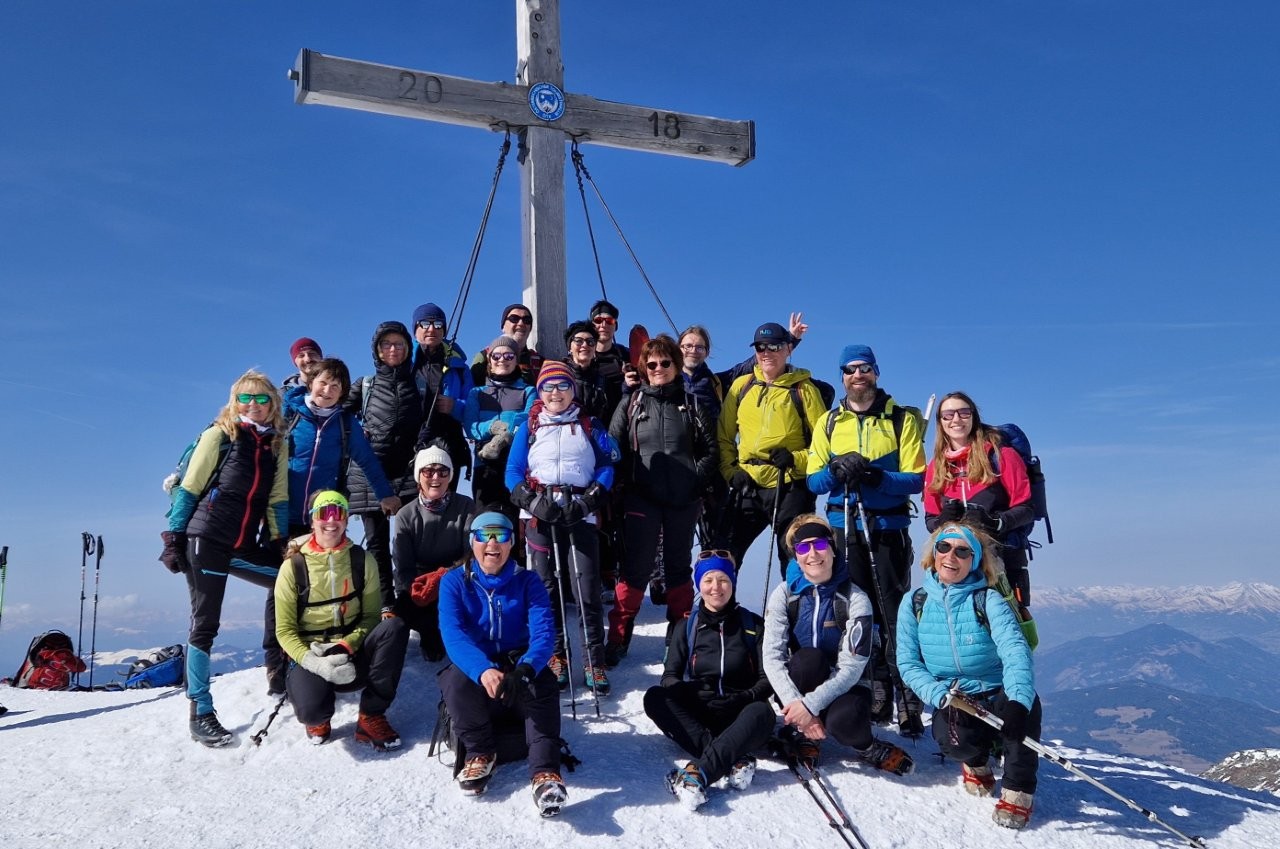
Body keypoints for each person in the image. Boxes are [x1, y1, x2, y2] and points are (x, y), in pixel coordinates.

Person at [160, 370, 289, 746]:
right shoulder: (220, 436)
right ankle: (200, 711)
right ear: (235, 402)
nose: (254, 405)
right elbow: (190, 488)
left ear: (273, 404)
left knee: (293, 578)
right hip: (206, 540)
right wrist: (173, 537)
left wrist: (281, 542)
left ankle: (291, 667)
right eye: (246, 398)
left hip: (242, 544)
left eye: (262, 398)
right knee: (205, 625)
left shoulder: (276, 446)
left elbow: (277, 500)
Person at [805, 344, 926, 734]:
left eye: (865, 369)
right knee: (858, 614)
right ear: (842, 376)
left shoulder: (900, 419)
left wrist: (876, 476)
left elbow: (917, 478)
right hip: (845, 531)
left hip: (887, 531)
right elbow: (814, 480)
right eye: (850, 370)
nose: (858, 376)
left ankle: (907, 697)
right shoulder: (828, 422)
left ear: (876, 372)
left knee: (893, 614)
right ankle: (875, 688)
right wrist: (836, 469)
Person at [896, 522, 1042, 829]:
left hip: (997, 690)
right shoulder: (915, 602)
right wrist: (937, 694)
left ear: (975, 561)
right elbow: (908, 663)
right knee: (953, 742)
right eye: (944, 547)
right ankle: (977, 760)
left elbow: (1016, 652)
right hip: (956, 697)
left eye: (963, 551)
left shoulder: (988, 601)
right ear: (933, 554)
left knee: (1022, 722)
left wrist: (1018, 702)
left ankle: (1017, 791)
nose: (951, 556)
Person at [437, 512, 568, 816]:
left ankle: (544, 772)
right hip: (479, 672)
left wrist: (525, 669)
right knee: (456, 680)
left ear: (512, 542)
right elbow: (453, 636)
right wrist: (482, 670)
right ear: (473, 541)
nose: (492, 543)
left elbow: (544, 633)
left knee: (543, 681)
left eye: (501, 535)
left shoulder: (528, 581)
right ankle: (480, 753)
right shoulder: (454, 582)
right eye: (484, 535)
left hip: (517, 669)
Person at [763, 515, 914, 776]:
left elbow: (852, 667)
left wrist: (809, 707)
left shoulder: (855, 598)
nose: (813, 554)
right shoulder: (785, 594)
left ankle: (867, 747)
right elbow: (772, 657)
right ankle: (806, 735)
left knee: (846, 721)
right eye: (803, 548)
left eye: (819, 545)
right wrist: (798, 706)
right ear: (796, 557)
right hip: (804, 679)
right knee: (807, 659)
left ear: (833, 549)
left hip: (848, 686)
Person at [505, 360, 617, 695]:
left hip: (578, 511)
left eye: (563, 386)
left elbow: (606, 466)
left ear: (573, 389)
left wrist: (589, 501)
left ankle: (593, 661)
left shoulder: (588, 423)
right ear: (540, 392)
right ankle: (555, 657)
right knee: (545, 589)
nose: (556, 393)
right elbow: (512, 471)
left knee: (586, 588)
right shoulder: (530, 425)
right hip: (541, 514)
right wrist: (531, 501)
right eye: (548, 387)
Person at [606, 335, 717, 666]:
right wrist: (629, 482)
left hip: (683, 500)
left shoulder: (692, 403)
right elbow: (613, 447)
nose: (658, 369)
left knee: (677, 566)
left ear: (676, 364)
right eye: (651, 364)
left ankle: (679, 635)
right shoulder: (632, 403)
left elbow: (712, 450)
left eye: (665, 363)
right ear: (643, 367)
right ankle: (618, 636)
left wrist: (693, 480)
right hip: (642, 499)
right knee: (636, 567)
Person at [274, 491, 409, 750]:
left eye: (339, 513)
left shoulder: (361, 559)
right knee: (313, 711)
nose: (331, 520)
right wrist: (315, 662)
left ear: (347, 520)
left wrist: (347, 644)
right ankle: (318, 717)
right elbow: (284, 630)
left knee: (394, 626)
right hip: (311, 651)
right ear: (312, 521)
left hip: (352, 649)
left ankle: (371, 715)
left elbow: (371, 616)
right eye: (324, 513)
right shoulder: (293, 567)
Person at [644, 551, 775, 810]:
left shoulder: (753, 625)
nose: (716, 587)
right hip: (701, 712)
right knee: (654, 698)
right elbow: (669, 677)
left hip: (739, 713)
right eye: (708, 580)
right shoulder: (686, 627)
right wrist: (690, 692)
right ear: (699, 584)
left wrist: (744, 696)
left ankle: (700, 772)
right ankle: (730, 757)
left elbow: (766, 679)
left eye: (723, 579)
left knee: (762, 712)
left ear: (733, 583)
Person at [715, 321, 826, 571]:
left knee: (795, 557)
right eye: (760, 347)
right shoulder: (741, 386)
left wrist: (796, 459)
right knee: (725, 553)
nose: (766, 352)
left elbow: (824, 443)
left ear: (788, 349)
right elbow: (724, 436)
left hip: (789, 483)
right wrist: (732, 473)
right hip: (747, 484)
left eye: (774, 346)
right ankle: (720, 608)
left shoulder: (804, 388)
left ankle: (798, 609)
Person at [923, 391, 1036, 605]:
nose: (956, 419)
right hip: (955, 565)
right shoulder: (936, 467)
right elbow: (930, 519)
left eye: (963, 413)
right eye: (948, 415)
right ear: (940, 423)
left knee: (1009, 629)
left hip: (1003, 560)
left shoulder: (1000, 455)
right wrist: (942, 523)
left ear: (974, 417)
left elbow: (1027, 509)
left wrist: (996, 522)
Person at [345, 321, 424, 613]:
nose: (393, 349)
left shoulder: (419, 385)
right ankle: (386, 605)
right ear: (377, 350)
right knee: (376, 545)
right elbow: (339, 416)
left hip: (407, 473)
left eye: (399, 344)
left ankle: (410, 603)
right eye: (387, 344)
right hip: (369, 474)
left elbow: (430, 424)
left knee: (406, 542)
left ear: (408, 348)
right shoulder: (365, 385)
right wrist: (356, 430)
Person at [282, 358, 400, 539]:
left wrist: (385, 495)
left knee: (315, 567)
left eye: (335, 386)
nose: (327, 390)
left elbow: (368, 461)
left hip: (322, 517)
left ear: (342, 392)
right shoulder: (290, 413)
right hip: (281, 512)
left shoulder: (345, 424)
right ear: (311, 382)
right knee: (278, 565)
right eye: (322, 382)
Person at [392, 446, 475, 661]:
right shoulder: (405, 515)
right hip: (420, 583)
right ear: (419, 476)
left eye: (442, 471)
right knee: (404, 611)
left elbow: (472, 554)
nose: (435, 477)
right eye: (428, 471)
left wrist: (445, 577)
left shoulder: (466, 506)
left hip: (455, 577)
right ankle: (430, 634)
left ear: (450, 476)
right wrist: (417, 588)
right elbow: (403, 565)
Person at [462, 334, 535, 522]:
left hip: (518, 464)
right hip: (485, 464)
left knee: (518, 520)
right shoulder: (477, 393)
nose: (502, 360)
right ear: (489, 361)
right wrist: (492, 427)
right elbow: (470, 426)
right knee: (486, 519)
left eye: (509, 356)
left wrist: (508, 432)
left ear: (517, 360)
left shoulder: (528, 391)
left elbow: (527, 419)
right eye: (497, 356)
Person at [411, 302, 474, 489]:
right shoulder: (405, 365)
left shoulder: (460, 368)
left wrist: (454, 406)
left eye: (438, 324)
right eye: (424, 323)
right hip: (412, 443)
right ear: (415, 329)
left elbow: (472, 406)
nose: (432, 329)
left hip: (449, 443)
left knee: (447, 504)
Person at [469, 303, 544, 387]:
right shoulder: (483, 357)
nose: (521, 323)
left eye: (527, 320)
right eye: (514, 318)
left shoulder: (540, 362)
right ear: (503, 327)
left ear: (530, 328)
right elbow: (470, 390)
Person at [587, 299, 630, 420]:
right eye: (598, 320)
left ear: (615, 326)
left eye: (609, 321)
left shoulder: (626, 357)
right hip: (589, 427)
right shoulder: (581, 357)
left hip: (620, 426)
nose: (603, 325)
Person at [561, 320, 610, 422]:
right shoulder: (558, 376)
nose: (585, 345)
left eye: (590, 342)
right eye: (579, 341)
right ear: (569, 347)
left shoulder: (602, 381)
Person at [678, 324, 724, 421]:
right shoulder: (665, 382)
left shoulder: (717, 383)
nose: (693, 351)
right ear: (679, 349)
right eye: (688, 346)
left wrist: (763, 345)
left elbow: (745, 367)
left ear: (707, 353)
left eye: (699, 347)